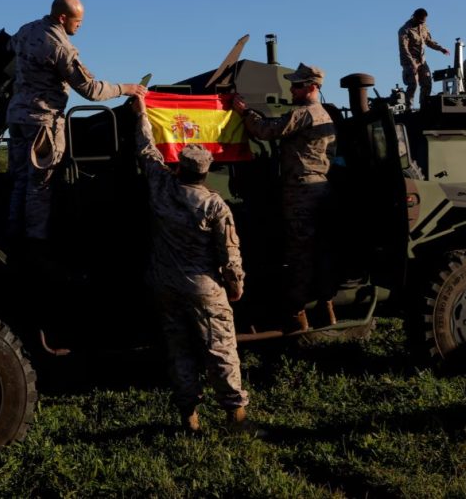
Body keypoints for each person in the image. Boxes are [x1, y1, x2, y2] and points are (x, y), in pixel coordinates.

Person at [130, 93, 256, 434]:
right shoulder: (215, 206)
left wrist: (142, 112)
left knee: (179, 351)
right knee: (221, 350)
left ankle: (189, 418)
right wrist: (236, 284)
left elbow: (146, 149)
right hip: (203, 287)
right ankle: (236, 418)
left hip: (164, 283)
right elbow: (229, 254)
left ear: (179, 165)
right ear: (207, 171)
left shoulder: (160, 186)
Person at [6, 0, 146, 247]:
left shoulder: (26, 30)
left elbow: (9, 48)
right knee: (41, 186)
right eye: (77, 21)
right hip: (42, 123)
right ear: (63, 18)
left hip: (17, 117)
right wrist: (126, 88)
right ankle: (36, 248)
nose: (80, 25)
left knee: (20, 181)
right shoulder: (60, 47)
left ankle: (13, 238)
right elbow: (90, 89)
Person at [233, 63, 336, 332]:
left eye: (298, 85)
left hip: (301, 192)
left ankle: (296, 317)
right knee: (320, 251)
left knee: (298, 255)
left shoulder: (303, 114)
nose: (292, 88)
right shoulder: (325, 115)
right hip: (320, 188)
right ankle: (327, 310)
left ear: (312, 87)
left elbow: (266, 131)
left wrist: (245, 113)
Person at [398, 8, 450, 109]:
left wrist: (441, 49)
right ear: (414, 17)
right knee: (413, 84)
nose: (421, 23)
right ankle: (408, 107)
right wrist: (412, 63)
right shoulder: (404, 30)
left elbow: (428, 41)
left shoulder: (424, 27)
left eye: (423, 21)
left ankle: (424, 106)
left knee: (427, 83)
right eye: (420, 21)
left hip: (422, 60)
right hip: (409, 60)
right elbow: (403, 48)